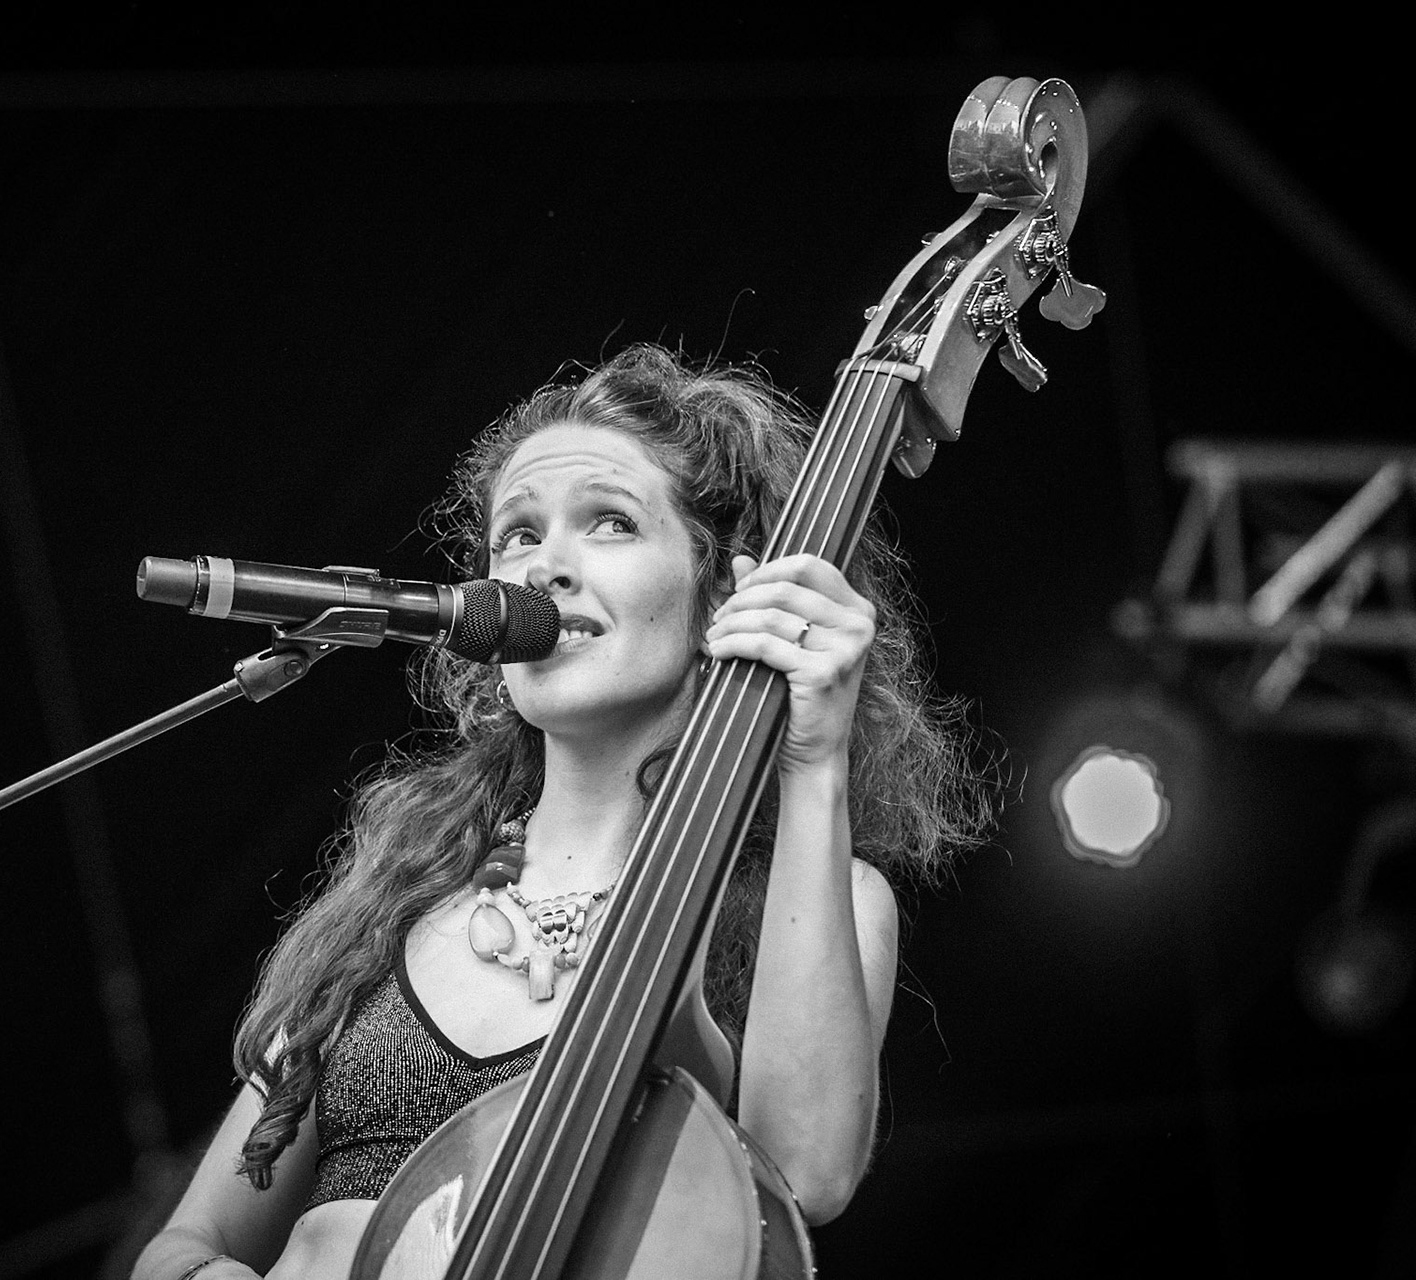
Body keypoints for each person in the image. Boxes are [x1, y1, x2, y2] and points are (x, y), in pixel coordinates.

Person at [133, 344, 991, 1280]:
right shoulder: (401, 891)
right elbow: (184, 1247)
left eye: (611, 524)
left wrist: (814, 758)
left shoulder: (807, 897)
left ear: (724, 590)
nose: (547, 567)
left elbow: (803, 1174)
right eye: (518, 536)